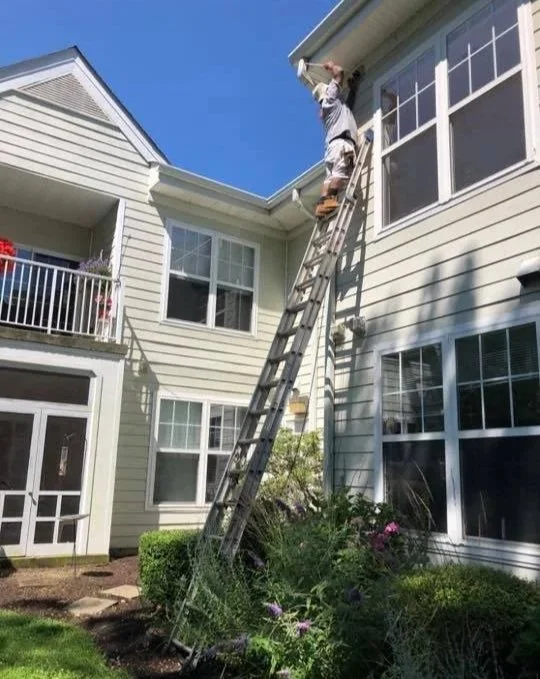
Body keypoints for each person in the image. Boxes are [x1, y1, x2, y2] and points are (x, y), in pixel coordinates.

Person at [313, 61, 361, 218]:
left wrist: (353, 89)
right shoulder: (330, 100)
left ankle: (322, 206)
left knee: (329, 179)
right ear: (326, 93)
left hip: (332, 149)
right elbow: (339, 72)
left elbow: (348, 109)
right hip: (342, 145)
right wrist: (330, 66)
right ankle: (328, 204)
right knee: (343, 174)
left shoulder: (333, 108)